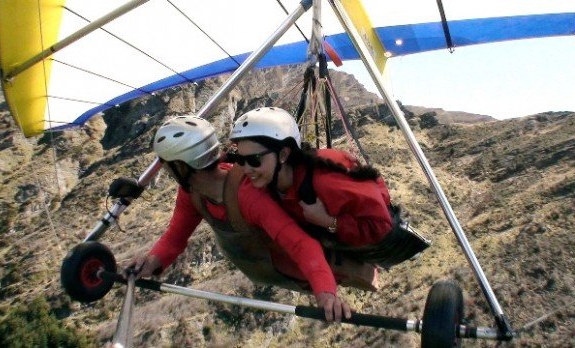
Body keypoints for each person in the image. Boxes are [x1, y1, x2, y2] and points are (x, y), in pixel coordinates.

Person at [126, 115, 357, 321]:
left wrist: (326, 295)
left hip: (293, 270)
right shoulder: (191, 193)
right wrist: (151, 262)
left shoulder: (248, 196)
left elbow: (301, 244)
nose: (164, 171)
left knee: (357, 273)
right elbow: (175, 237)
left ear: (180, 166)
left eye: (165, 165)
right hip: (260, 271)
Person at [228, 107, 430, 270]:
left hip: (377, 236)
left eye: (254, 160)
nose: (245, 168)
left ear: (283, 155)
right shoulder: (268, 178)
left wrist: (330, 222)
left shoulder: (326, 182)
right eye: (240, 159)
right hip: (337, 239)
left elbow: (381, 227)